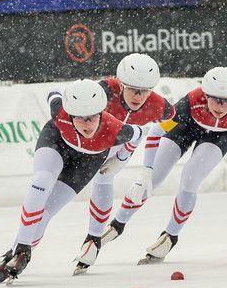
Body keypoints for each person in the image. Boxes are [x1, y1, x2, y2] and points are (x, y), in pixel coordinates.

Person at [96, 66, 227, 265]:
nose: (220, 106)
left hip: (220, 136)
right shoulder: (191, 102)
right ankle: (117, 225)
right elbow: (155, 133)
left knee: (190, 179)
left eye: (226, 100)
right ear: (205, 94)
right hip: (186, 127)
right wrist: (146, 172)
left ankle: (170, 236)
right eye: (214, 99)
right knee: (153, 178)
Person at [0, 79, 144, 284]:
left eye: (92, 117)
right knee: (42, 180)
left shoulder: (115, 129)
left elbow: (139, 134)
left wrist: (120, 159)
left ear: (101, 113)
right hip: (56, 141)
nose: (88, 124)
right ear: (70, 114)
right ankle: (21, 249)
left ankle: (16, 253)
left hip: (89, 160)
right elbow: (53, 92)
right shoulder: (60, 111)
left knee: (46, 212)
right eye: (80, 118)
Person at [74, 52, 174, 274]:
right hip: (92, 141)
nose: (138, 96)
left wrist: (146, 170)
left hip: (124, 145)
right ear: (120, 84)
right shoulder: (103, 91)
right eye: (132, 89)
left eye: (145, 91)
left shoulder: (161, 107)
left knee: (103, 178)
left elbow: (165, 126)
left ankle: (92, 240)